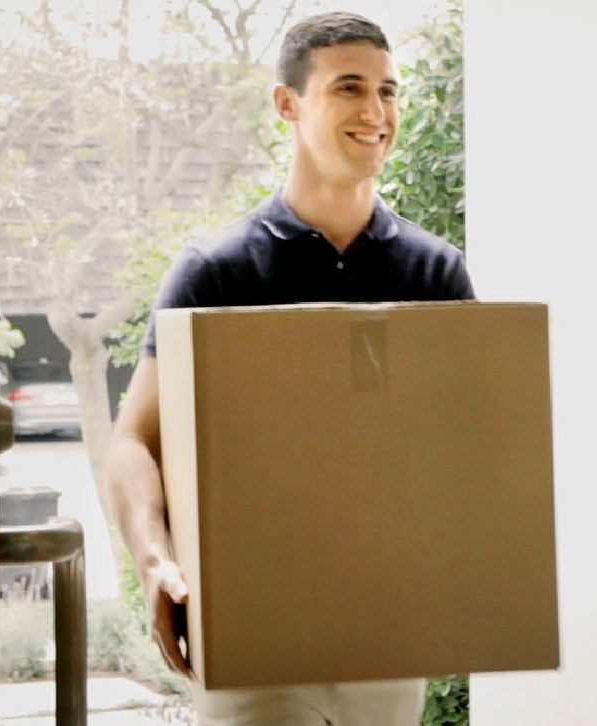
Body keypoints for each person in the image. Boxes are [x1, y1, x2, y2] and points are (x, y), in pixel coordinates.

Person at [106, 11, 475, 725]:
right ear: (288, 103)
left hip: (388, 634)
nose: (376, 112)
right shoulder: (216, 271)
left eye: (388, 91)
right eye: (349, 88)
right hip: (251, 636)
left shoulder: (435, 272)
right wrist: (155, 561)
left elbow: (467, 442)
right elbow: (134, 442)